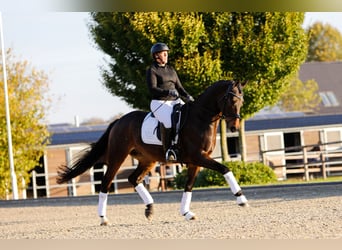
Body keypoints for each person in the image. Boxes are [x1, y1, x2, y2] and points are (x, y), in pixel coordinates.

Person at [146, 42, 194, 162]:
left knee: (189, 115)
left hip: (175, 101)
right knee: (168, 122)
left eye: (167, 54)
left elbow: (179, 87)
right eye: (164, 54)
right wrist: (167, 92)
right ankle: (168, 150)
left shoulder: (171, 69)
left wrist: (188, 96)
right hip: (159, 103)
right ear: (157, 56)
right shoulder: (152, 70)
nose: (166, 56)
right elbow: (152, 89)